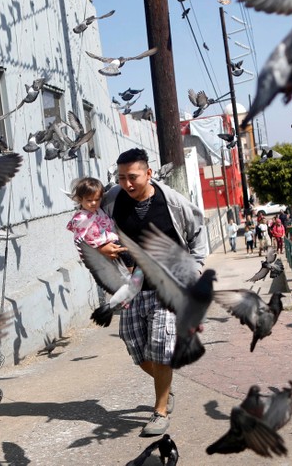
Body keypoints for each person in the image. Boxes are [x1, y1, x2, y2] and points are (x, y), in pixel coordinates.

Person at [99, 148, 208, 436]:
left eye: (132, 177)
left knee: (161, 345)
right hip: (132, 287)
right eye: (121, 178)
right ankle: (166, 387)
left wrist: (195, 269)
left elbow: (197, 231)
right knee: (135, 346)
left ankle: (159, 410)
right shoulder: (113, 199)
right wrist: (102, 246)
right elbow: (93, 226)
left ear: (149, 173)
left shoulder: (171, 201)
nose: (127, 184)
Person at [65, 176, 134, 268]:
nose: (94, 203)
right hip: (101, 243)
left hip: (112, 239)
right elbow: (78, 239)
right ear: (80, 199)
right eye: (89, 200)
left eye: (97, 199)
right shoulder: (82, 218)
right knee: (127, 254)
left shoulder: (98, 210)